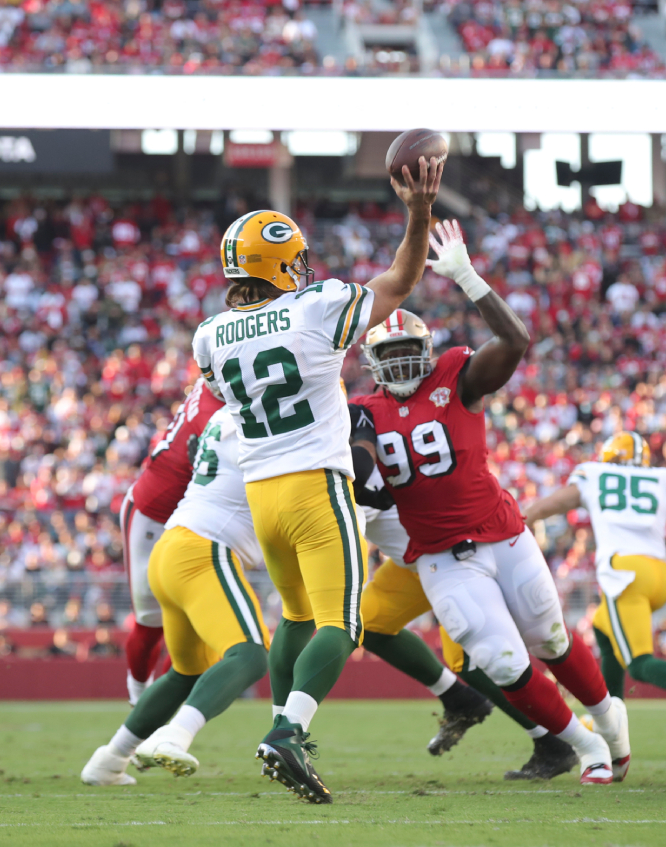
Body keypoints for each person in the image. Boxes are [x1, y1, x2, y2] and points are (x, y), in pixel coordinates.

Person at [192, 156, 442, 803]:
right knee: (343, 621)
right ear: (281, 264)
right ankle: (287, 730)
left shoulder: (211, 334)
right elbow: (401, 281)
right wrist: (418, 213)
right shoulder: (315, 306)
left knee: (297, 616)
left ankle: (284, 722)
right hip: (315, 485)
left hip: (261, 494)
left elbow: (223, 393)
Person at [353, 221, 629, 786]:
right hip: (437, 558)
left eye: (411, 352)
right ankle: (583, 745)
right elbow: (359, 462)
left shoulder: (456, 376)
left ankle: (609, 718)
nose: (404, 363)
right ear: (372, 360)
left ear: (427, 351)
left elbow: (515, 342)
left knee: (550, 639)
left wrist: (469, 278)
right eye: (392, 354)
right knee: (502, 662)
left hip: (502, 533)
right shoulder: (362, 411)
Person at [350, 401, 580, 780]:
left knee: (474, 661)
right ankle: (458, 698)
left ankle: (555, 740)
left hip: (447, 559)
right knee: (367, 622)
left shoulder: (353, 455)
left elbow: (349, 534)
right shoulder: (358, 439)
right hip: (414, 560)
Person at [82, 407, 270, 786]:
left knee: (186, 673)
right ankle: (173, 734)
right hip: (203, 551)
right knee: (249, 654)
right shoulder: (267, 421)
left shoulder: (222, 417)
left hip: (171, 547)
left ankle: (110, 760)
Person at [523, 432, 666, 720]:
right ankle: (611, 718)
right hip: (659, 574)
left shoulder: (594, 474)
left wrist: (525, 517)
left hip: (625, 574)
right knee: (602, 626)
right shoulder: (662, 478)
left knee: (638, 663)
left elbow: (555, 504)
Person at [120, 379, 224, 704]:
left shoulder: (213, 390)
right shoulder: (215, 414)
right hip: (154, 515)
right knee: (151, 624)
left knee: (193, 629)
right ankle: (139, 700)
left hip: (197, 522)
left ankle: (161, 708)